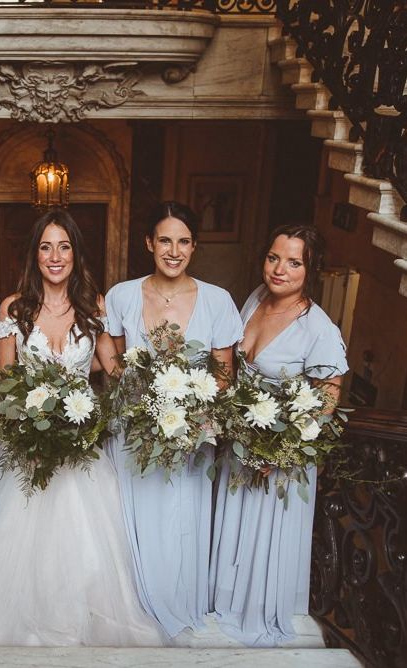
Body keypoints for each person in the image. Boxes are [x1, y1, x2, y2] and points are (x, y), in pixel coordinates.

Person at [0, 208, 165, 646]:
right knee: (23, 543)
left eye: (64, 246)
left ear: (76, 254)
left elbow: (114, 369)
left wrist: (165, 381)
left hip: (81, 447)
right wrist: (25, 433)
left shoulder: (96, 306)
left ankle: (78, 612)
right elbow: (6, 381)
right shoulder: (14, 308)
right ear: (34, 254)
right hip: (26, 446)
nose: (55, 256)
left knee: (84, 542)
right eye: (46, 246)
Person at [105, 201, 242, 638]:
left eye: (183, 241)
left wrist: (192, 414)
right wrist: (132, 387)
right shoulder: (122, 295)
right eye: (165, 240)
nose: (174, 250)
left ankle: (178, 601)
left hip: (191, 433)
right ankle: (138, 605)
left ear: (194, 246)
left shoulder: (218, 300)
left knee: (181, 516)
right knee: (137, 512)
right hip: (135, 431)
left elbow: (224, 370)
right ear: (149, 243)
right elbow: (109, 349)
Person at [209, 224, 348, 646]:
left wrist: (283, 452)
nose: (279, 269)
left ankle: (257, 610)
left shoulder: (318, 329)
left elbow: (327, 401)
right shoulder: (253, 300)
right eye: (274, 257)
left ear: (311, 269)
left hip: (278, 459)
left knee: (263, 535)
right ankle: (223, 602)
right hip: (239, 445)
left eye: (293, 262)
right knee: (232, 522)